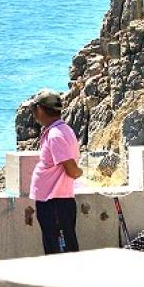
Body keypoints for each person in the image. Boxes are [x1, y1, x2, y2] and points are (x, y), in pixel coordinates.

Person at [26, 89, 83, 254]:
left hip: (56, 203)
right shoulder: (62, 130)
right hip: (53, 203)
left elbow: (72, 170)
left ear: (40, 109)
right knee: (56, 250)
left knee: (61, 253)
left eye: (33, 109)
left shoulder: (55, 135)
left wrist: (82, 173)